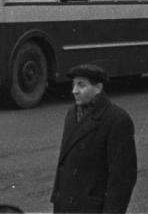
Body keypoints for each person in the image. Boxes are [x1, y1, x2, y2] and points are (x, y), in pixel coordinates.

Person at [51, 64, 137, 213]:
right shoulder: (72, 114)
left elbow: (122, 178)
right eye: (73, 85)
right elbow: (63, 163)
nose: (74, 91)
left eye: (81, 85)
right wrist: (57, 199)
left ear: (98, 88)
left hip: (92, 207)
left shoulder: (117, 120)